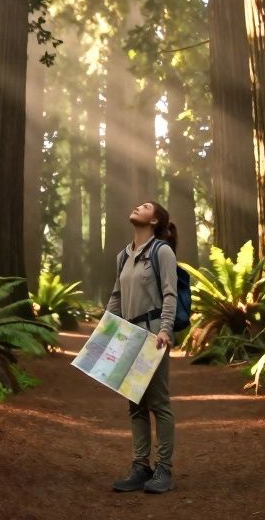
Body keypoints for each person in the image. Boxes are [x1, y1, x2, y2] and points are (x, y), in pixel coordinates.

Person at [105, 201, 178, 494]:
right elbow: (116, 296)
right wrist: (105, 332)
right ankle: (140, 466)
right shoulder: (124, 255)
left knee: (158, 403)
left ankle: (164, 470)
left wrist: (165, 329)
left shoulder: (162, 251)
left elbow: (170, 294)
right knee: (135, 404)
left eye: (145, 206)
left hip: (153, 334)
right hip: (128, 334)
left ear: (155, 219)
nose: (137, 206)